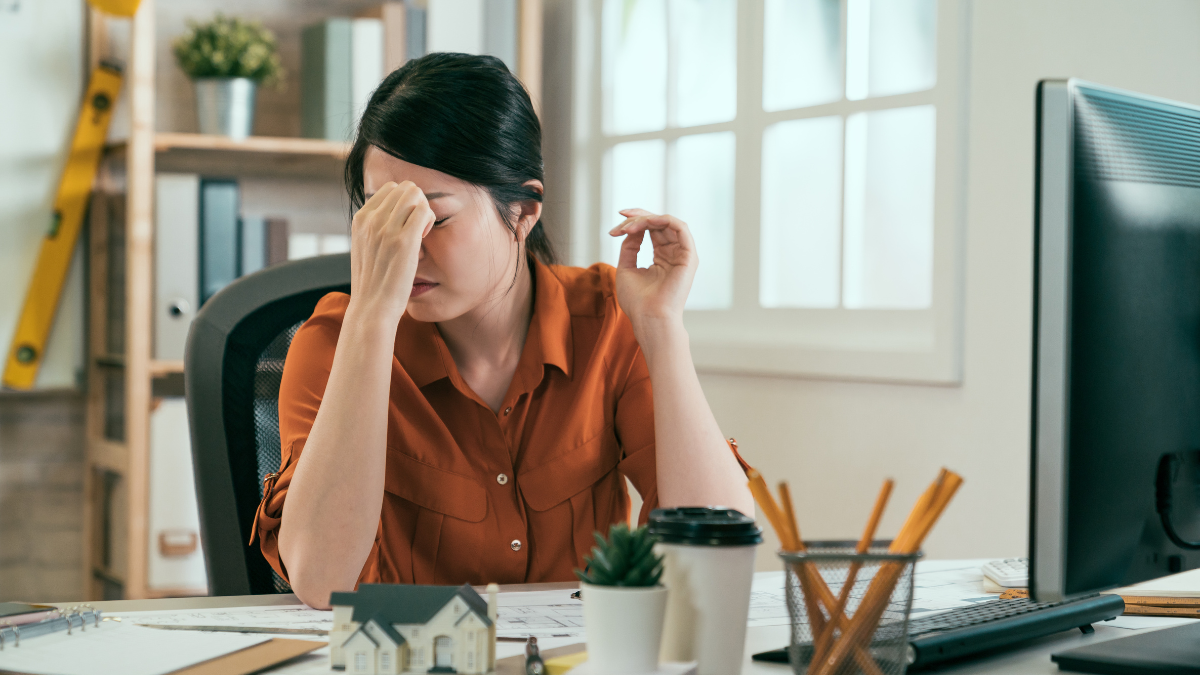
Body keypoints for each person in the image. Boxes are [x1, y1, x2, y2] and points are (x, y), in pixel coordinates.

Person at [252, 53, 754, 609]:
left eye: (432, 220)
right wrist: (370, 317)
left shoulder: (609, 319)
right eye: (382, 218)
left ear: (522, 213)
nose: (402, 248)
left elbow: (719, 547)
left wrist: (662, 330)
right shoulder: (331, 343)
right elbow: (322, 581)